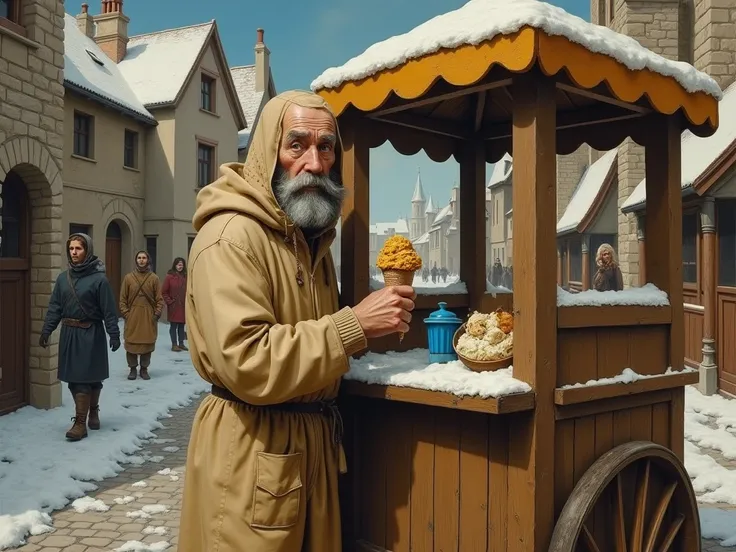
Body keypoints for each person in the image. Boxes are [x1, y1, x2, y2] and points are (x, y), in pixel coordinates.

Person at [178, 90, 416, 552]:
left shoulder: (311, 241)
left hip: (309, 453)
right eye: (297, 145)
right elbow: (246, 360)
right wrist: (353, 327)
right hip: (251, 455)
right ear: (270, 152)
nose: (314, 161)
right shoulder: (231, 236)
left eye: (326, 147)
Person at [39, 233, 120, 441]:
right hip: (70, 334)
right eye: (72, 248)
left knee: (90, 378)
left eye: (79, 248)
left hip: (91, 334)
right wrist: (47, 330)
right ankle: (89, 414)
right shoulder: (63, 279)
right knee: (76, 380)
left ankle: (81, 422)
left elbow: (109, 310)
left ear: (88, 250)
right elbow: (55, 307)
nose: (74, 252)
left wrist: (114, 334)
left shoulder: (99, 279)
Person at [119, 250, 164, 380]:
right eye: (139, 258)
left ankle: (144, 369)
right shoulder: (128, 278)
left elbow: (159, 300)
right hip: (133, 316)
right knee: (131, 343)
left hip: (148, 317)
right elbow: (122, 299)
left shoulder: (154, 278)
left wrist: (155, 315)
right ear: (136, 260)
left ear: (148, 260)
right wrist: (127, 314)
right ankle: (132, 368)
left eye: (144, 257)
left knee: (147, 343)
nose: (141, 260)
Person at [162, 257, 187, 352]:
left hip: (183, 306)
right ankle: (174, 344)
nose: (180, 266)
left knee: (181, 325)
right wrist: (169, 301)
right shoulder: (169, 277)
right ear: (175, 265)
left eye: (181, 264)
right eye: (178, 264)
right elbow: (164, 292)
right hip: (174, 306)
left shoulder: (186, 276)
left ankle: (181, 343)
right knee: (173, 326)